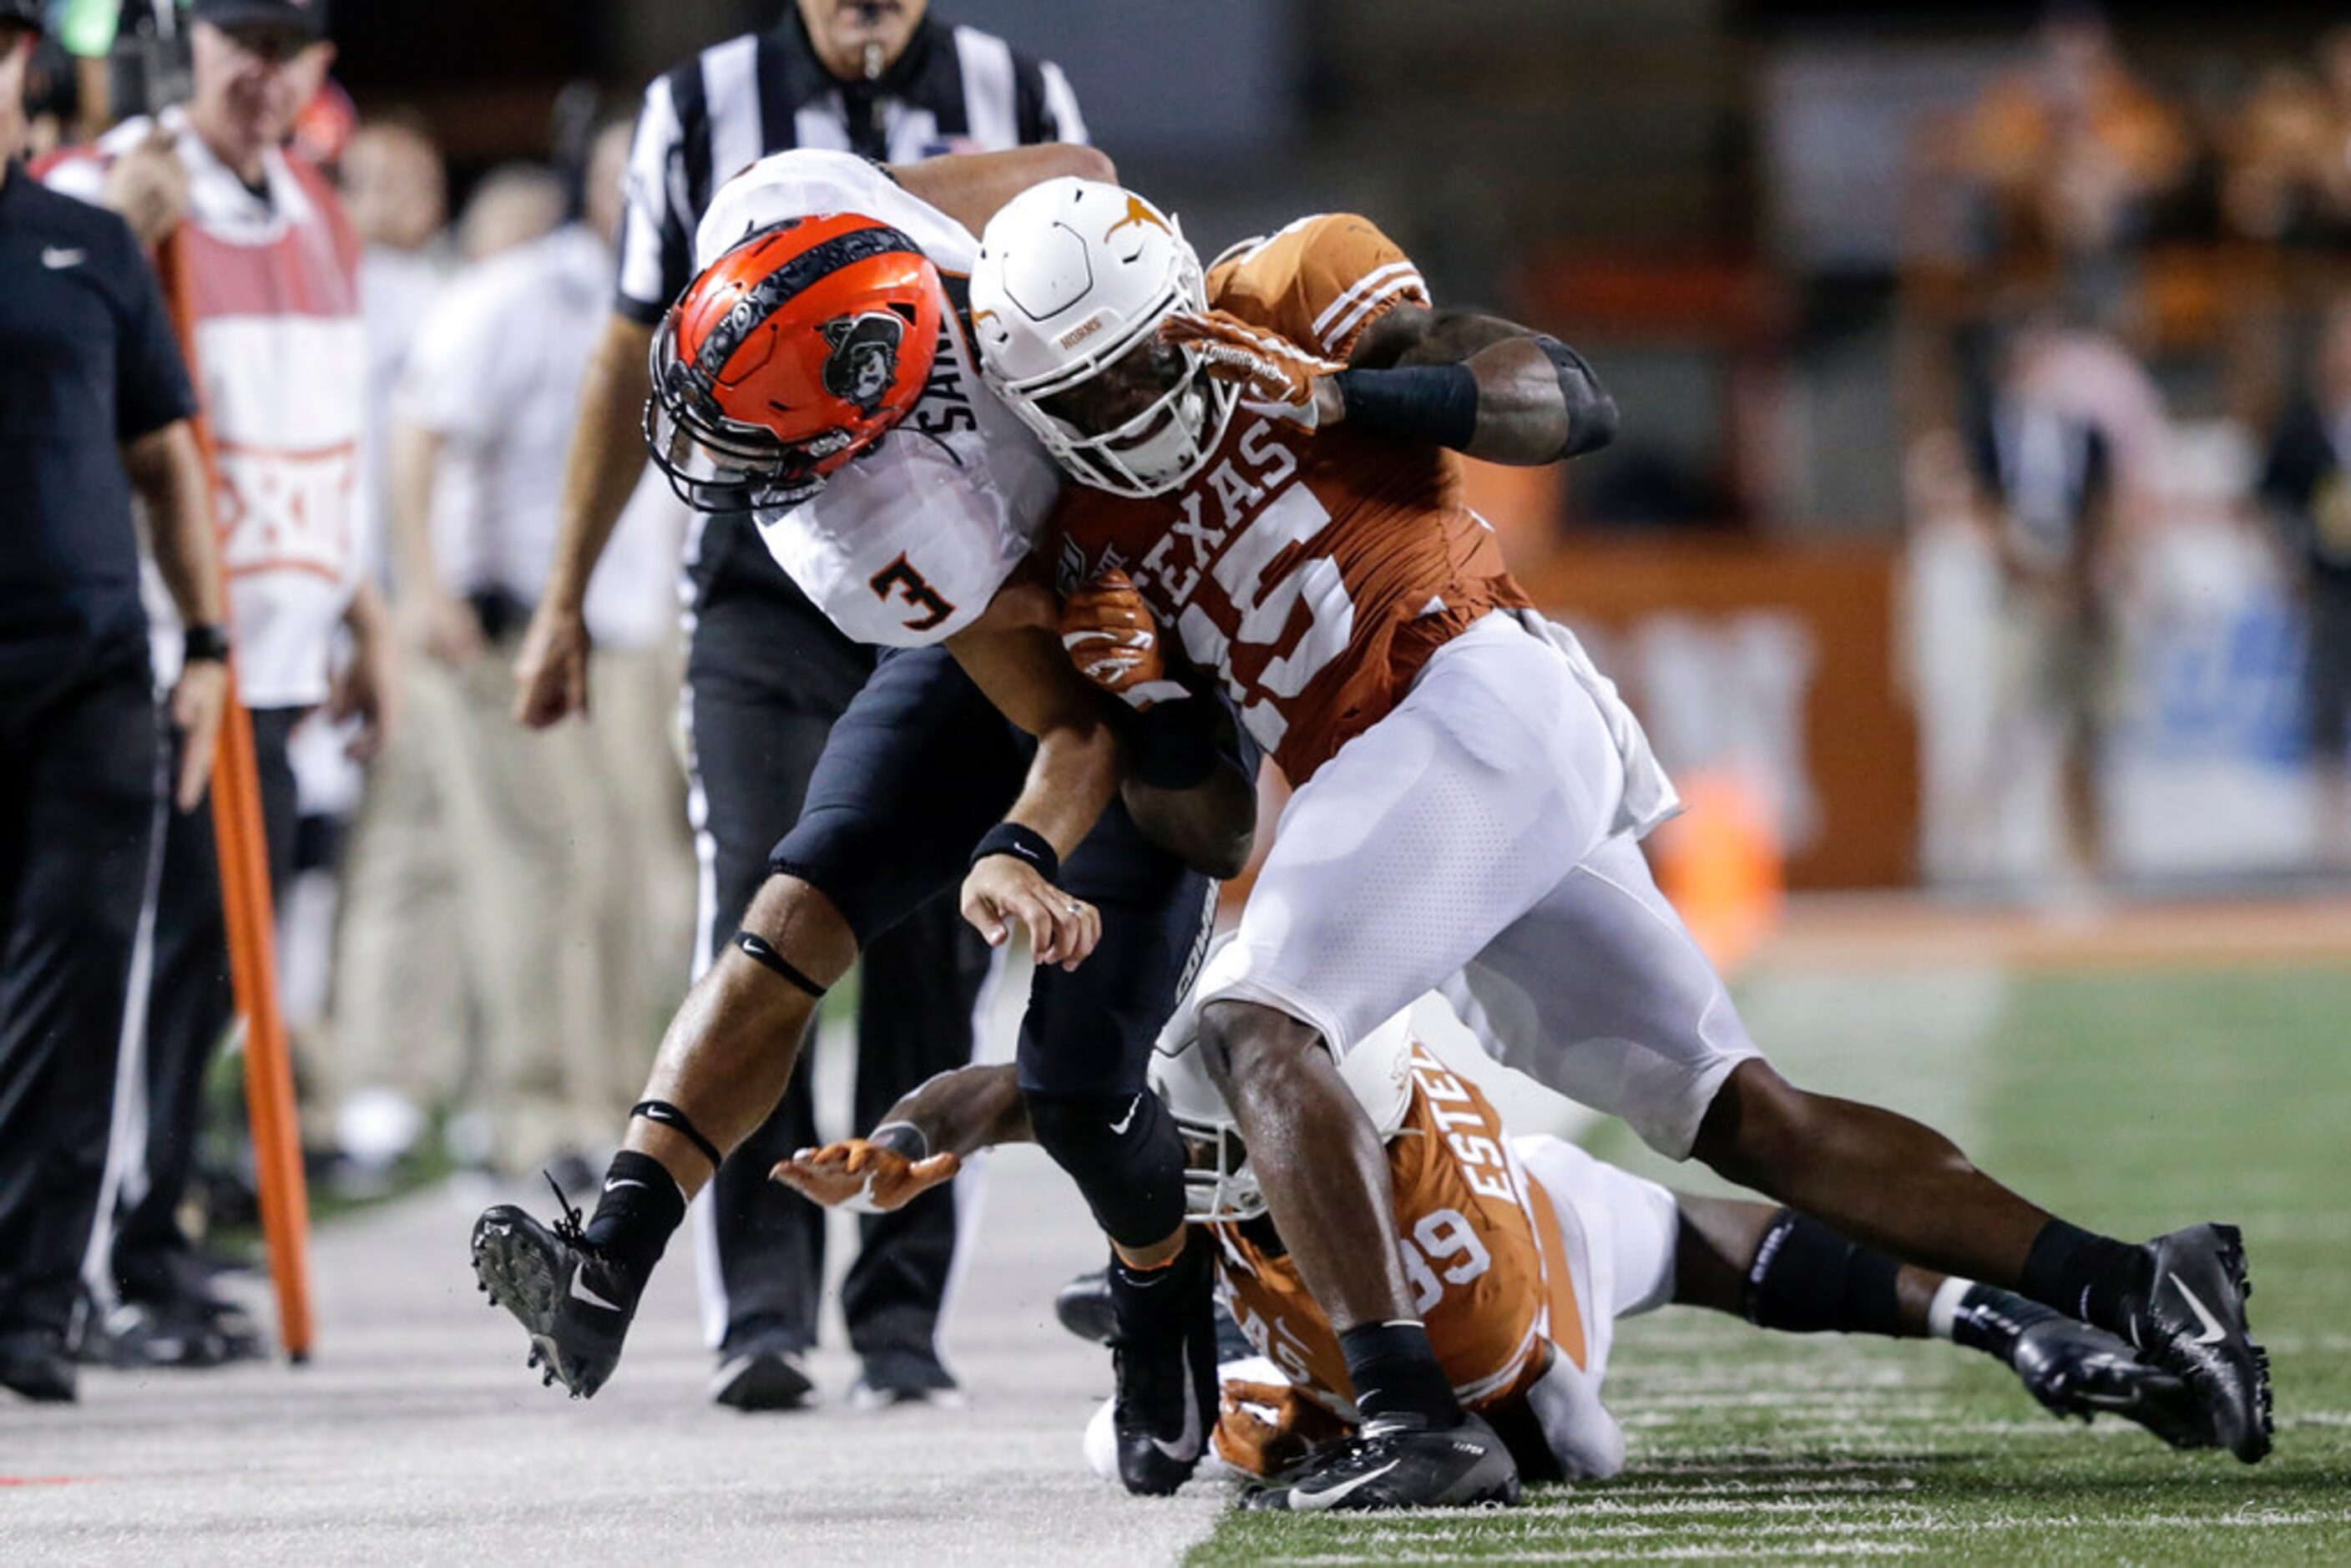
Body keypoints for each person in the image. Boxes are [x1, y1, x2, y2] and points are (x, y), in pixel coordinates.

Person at [960, 173, 2272, 1506]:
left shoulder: (1299, 288)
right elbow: (1212, 822)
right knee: (1744, 1115)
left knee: (1255, 1025)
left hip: (1471, 693)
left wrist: (1340, 393)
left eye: (1136, 371)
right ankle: (2136, 1275)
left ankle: (1413, 1417)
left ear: (1183, 313)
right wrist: (1155, 703)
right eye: (1082, 402)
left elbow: (1565, 400)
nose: (1121, 414)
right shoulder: (1089, 541)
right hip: (1411, 787)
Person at [471, 143, 1260, 1499]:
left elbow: (1083, 723)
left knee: (1078, 1087)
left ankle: (1167, 1292)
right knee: (789, 916)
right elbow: (1017, 697)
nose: (733, 460)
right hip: (987, 634)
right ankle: (611, 1253)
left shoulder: (910, 487)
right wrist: (1014, 848)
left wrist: (1049, 266)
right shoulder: (782, 234)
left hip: (1137, 653)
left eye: (766, 434)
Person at [506, 0, 1088, 1412]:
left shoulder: (1017, 137)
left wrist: (882, 229)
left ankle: (993, 1296)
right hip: (843, 576)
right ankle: (716, 1290)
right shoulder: (740, 161)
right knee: (775, 903)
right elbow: (639, 348)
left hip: (1046, 580)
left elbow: (1088, 189)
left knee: (977, 948)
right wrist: (566, 589)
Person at [775, 953, 2201, 1494]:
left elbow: (1567, 1437)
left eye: (1234, 1140)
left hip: (1524, 1252)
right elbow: (1005, 1088)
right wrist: (905, 1139)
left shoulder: (1438, 1252)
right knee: (1161, 1423)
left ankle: (1999, 1306)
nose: (1187, 1156)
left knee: (1152, 1440)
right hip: (1475, 1198)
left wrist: (1286, 1425)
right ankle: (1999, 1309)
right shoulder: (1296, 1090)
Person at [44, 0, 395, 1362]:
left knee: (207, 962)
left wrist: (360, 605)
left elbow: (325, 420)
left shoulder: (310, 205)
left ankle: (148, 1230)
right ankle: (76, 1256)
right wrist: (123, 237)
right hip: (155, 642)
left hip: (282, 642)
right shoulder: (111, 187)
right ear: (180, 41)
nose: (267, 73)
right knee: (122, 954)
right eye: (239, 38)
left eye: (295, 43)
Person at [377, 120, 690, 1176]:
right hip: (511, 622)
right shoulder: (520, 294)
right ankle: (527, 1104)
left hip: (627, 633)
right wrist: (424, 587)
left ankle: (603, 1096)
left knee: (615, 873)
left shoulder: (683, 301)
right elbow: (418, 430)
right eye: (618, 177)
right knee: (535, 867)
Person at [0, 0, 226, 1401]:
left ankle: (27, 1302)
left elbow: (166, 458)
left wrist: (205, 642)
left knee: (80, 987)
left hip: (89, 676)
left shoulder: (86, 245)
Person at [2257, 296, 2351, 867]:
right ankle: (2331, 836)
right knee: (2324, 703)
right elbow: (2270, 500)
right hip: (2328, 584)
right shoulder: (2302, 426)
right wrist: (2288, 565)